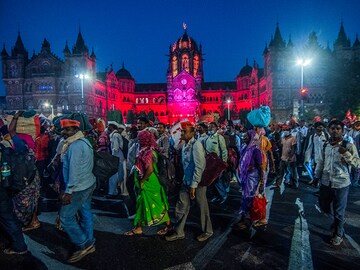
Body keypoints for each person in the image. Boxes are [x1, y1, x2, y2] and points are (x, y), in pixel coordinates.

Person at [166, 121, 213, 242]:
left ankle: (207, 231)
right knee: (181, 206)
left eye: (185, 131)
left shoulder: (196, 145)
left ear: (192, 133)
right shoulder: (185, 145)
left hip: (197, 183)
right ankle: (179, 231)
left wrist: (194, 185)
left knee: (202, 207)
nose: (182, 133)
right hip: (186, 181)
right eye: (182, 131)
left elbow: (199, 166)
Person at [315, 119, 360, 246]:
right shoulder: (326, 145)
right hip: (325, 182)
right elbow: (320, 162)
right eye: (332, 128)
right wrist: (316, 177)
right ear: (328, 130)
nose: (334, 131)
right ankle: (336, 222)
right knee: (323, 206)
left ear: (342, 131)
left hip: (341, 183)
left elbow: (357, 163)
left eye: (338, 129)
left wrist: (345, 153)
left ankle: (338, 234)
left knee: (339, 211)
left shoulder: (348, 145)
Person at [59, 119, 96, 263]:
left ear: (75, 130)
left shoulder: (75, 146)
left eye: (67, 130)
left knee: (66, 217)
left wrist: (68, 191)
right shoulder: (84, 142)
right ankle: (89, 240)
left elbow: (74, 171)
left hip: (78, 187)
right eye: (63, 129)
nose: (64, 132)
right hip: (88, 183)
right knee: (85, 213)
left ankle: (83, 244)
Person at [124, 130, 171, 236]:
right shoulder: (146, 150)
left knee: (157, 205)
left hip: (149, 183)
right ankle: (138, 227)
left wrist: (142, 181)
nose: (139, 140)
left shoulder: (148, 152)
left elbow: (149, 170)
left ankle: (168, 226)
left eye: (141, 139)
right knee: (142, 204)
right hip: (149, 182)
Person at [0, 112, 28, 255]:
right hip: (12, 185)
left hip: (3, 190)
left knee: (7, 217)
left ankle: (19, 246)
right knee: (9, 215)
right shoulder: (14, 145)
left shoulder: (4, 148)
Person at [233, 130, 263, 230]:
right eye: (244, 136)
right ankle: (243, 218)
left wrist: (262, 182)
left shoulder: (256, 150)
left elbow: (260, 166)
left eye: (246, 136)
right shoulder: (244, 148)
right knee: (244, 198)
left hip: (252, 178)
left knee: (249, 199)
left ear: (251, 138)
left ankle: (248, 222)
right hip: (245, 177)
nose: (243, 138)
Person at [205, 122, 228, 204]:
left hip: (217, 163)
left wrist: (224, 162)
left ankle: (223, 195)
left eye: (212, 127)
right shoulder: (208, 138)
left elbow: (224, 150)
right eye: (209, 127)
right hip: (210, 163)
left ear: (216, 128)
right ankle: (216, 196)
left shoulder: (219, 137)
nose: (210, 128)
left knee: (218, 180)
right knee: (212, 181)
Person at [106, 121, 127, 198]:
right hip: (119, 157)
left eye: (109, 126)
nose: (108, 127)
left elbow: (115, 148)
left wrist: (112, 159)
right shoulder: (116, 134)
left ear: (112, 127)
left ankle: (112, 192)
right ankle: (117, 190)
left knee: (113, 175)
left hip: (116, 157)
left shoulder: (115, 135)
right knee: (119, 174)